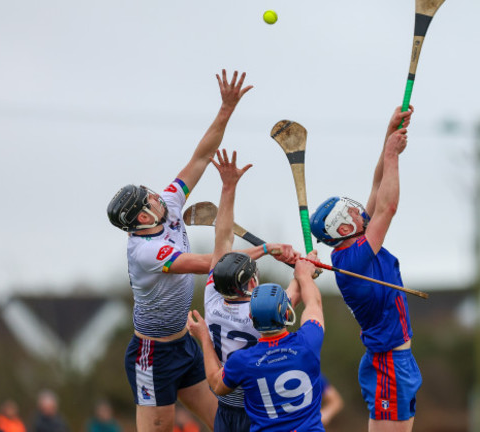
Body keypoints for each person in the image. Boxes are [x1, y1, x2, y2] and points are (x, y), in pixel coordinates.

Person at [105, 70, 254, 432]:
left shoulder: (169, 205)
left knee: (227, 423)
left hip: (185, 343)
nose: (159, 194)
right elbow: (215, 265)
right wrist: (262, 252)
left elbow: (201, 157)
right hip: (152, 355)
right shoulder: (146, 251)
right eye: (149, 199)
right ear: (141, 216)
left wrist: (226, 108)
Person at [309, 105, 419, 432]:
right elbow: (389, 206)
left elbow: (377, 184)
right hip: (389, 363)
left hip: (396, 359)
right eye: (350, 214)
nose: (359, 212)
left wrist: (390, 133)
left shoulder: (356, 242)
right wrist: (393, 154)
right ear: (342, 229)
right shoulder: (352, 258)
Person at [202, 149, 299, 431]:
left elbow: (222, 237)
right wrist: (305, 271)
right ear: (252, 283)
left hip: (225, 408)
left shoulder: (212, 297)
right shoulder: (261, 312)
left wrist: (228, 187)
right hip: (258, 407)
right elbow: (296, 291)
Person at [188, 249, 325, 432]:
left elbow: (216, 384)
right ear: (286, 313)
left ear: (251, 317)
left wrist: (204, 337)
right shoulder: (308, 341)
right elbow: (313, 303)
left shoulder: (243, 361)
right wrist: (304, 274)